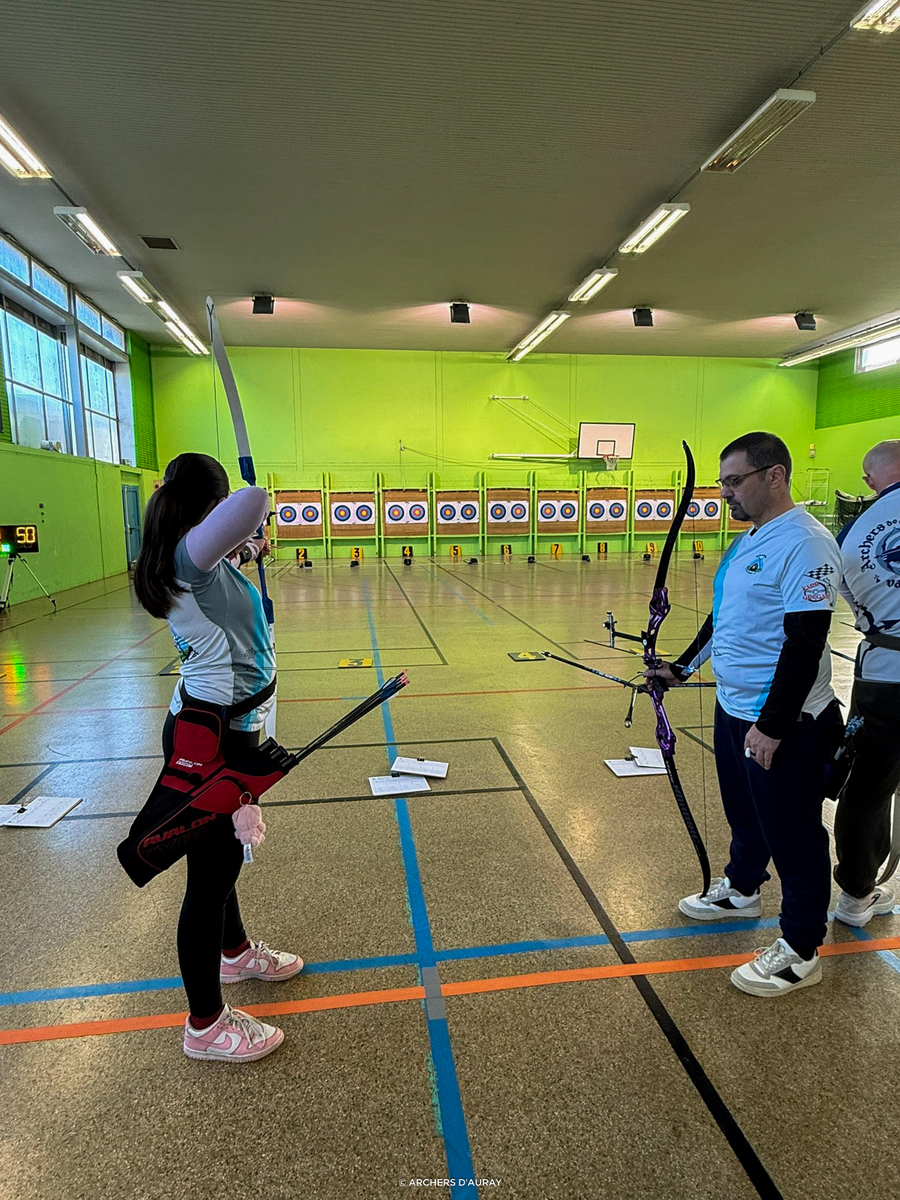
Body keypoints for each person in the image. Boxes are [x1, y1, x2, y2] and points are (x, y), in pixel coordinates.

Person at [648, 432, 843, 997]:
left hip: (787, 721)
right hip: (735, 707)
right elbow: (724, 618)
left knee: (793, 831)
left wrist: (773, 726)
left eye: (734, 481)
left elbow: (805, 642)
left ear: (775, 475)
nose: (725, 493)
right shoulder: (749, 539)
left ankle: (801, 948)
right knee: (745, 810)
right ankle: (742, 887)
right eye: (722, 483)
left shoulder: (805, 543)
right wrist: (682, 667)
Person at [133, 452, 301, 1062]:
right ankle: (204, 1025)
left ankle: (234, 954)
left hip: (222, 727)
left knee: (220, 863)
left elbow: (227, 554)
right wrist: (250, 496)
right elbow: (253, 504)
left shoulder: (194, 559)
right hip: (213, 742)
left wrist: (248, 550)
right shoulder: (188, 557)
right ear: (210, 507)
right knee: (210, 879)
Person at [831, 440, 900, 926]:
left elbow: (847, 593)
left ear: (873, 478)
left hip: (883, 674)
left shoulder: (854, 530)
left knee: (867, 785)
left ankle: (856, 892)